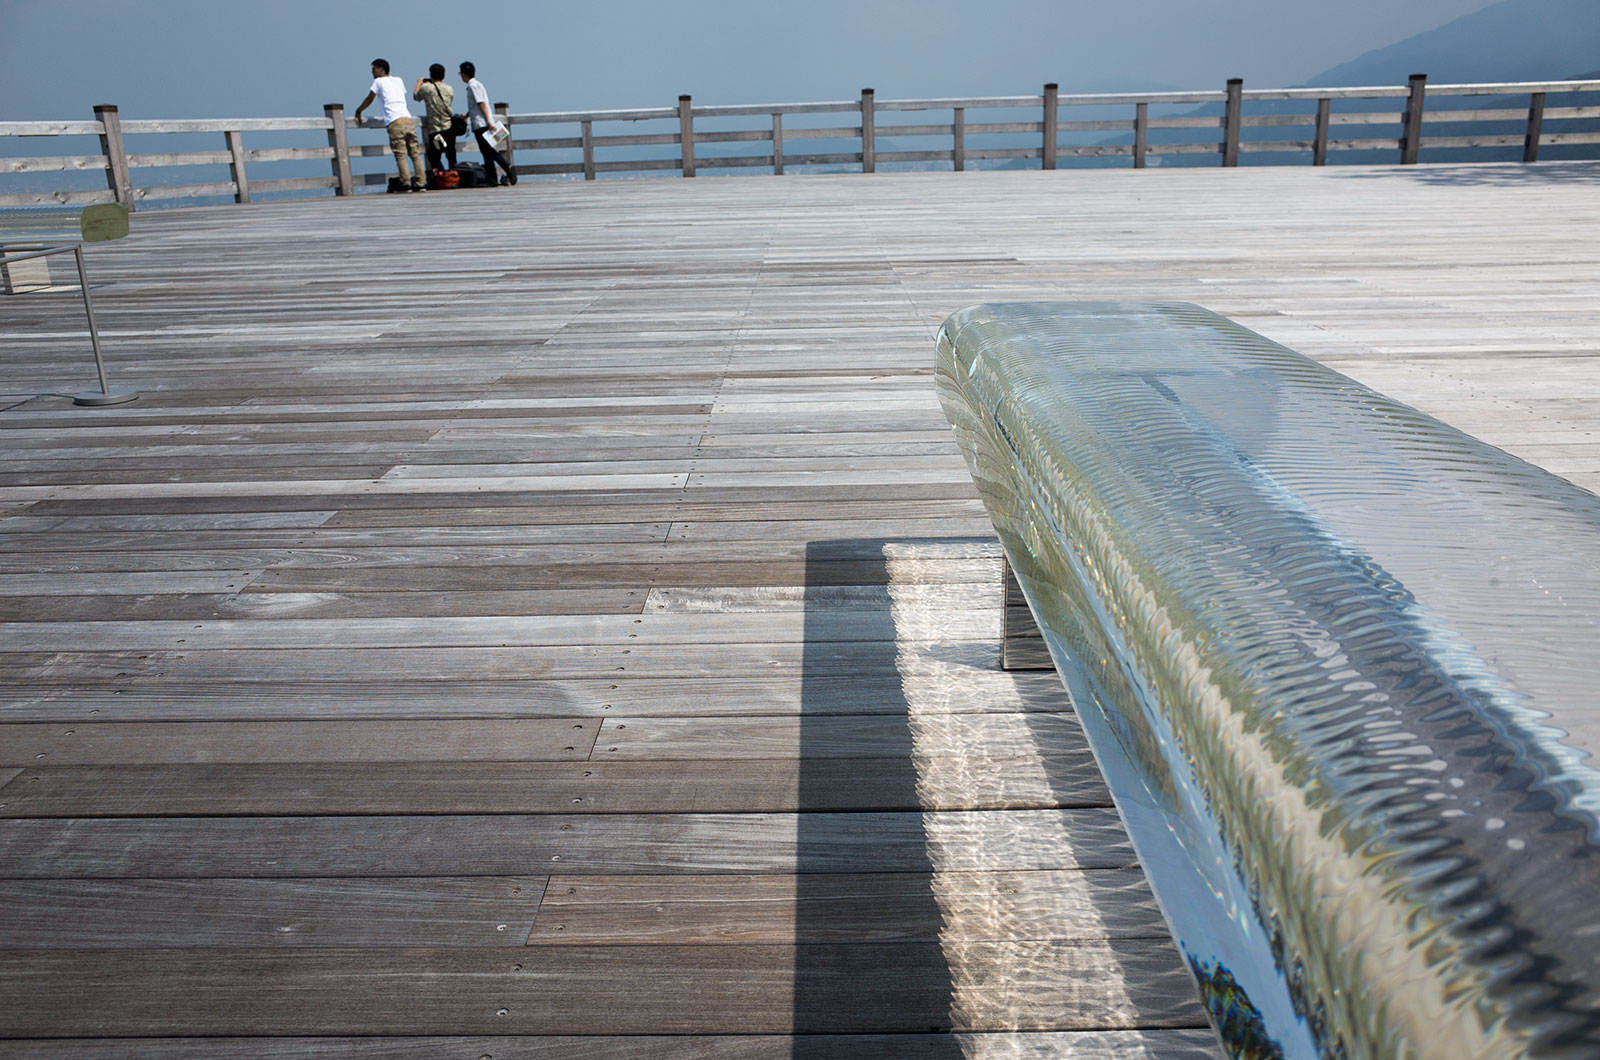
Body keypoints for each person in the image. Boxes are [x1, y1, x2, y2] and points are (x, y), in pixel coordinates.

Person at [355, 58, 424, 192]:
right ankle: (422, 183)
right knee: (415, 153)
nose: (372, 72)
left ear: (381, 69)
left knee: (400, 155)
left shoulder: (378, 82)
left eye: (373, 69)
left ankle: (406, 184)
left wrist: (359, 111)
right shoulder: (398, 80)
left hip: (395, 122)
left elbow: (370, 99)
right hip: (407, 119)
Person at [459, 61, 516, 186]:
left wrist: (489, 122)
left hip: (481, 124)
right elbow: (476, 105)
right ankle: (505, 170)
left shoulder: (473, 86)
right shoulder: (477, 85)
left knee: (487, 152)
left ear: (464, 74)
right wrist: (467, 115)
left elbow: (482, 104)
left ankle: (496, 176)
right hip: (483, 122)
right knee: (488, 151)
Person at [414, 64, 456, 176]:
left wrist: (419, 83)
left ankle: (443, 176)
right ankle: (454, 177)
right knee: (451, 155)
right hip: (449, 128)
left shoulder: (426, 88)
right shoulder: (449, 89)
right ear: (444, 75)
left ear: (431, 75)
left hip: (435, 129)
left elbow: (416, 97)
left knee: (433, 155)